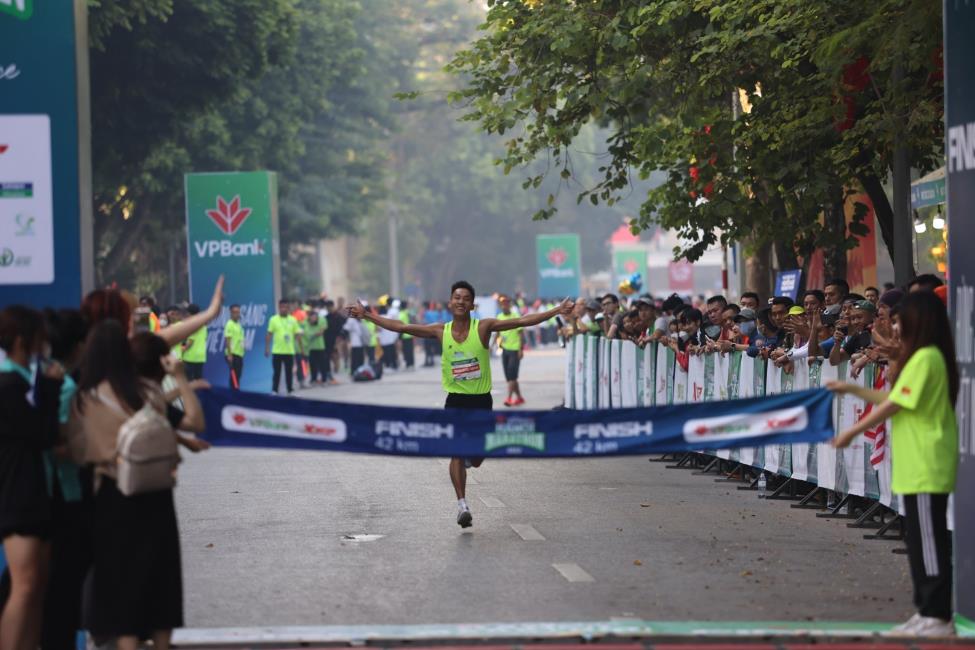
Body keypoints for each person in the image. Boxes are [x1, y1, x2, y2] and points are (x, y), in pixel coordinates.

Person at [347, 281, 573, 528]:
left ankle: (471, 457)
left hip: (481, 401)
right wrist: (367, 315)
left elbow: (521, 321)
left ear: (472, 305)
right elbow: (402, 326)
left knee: (476, 458)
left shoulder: (484, 327)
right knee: (455, 450)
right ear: (450, 302)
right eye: (457, 297)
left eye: (465, 298)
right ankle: (462, 504)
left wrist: (556, 311)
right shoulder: (440, 332)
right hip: (455, 400)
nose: (461, 301)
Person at [828, 290, 958, 636]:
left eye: (900, 320)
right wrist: (853, 390)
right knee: (918, 542)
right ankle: (926, 611)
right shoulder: (919, 359)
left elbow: (894, 405)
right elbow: (891, 397)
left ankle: (938, 615)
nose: (895, 326)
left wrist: (853, 431)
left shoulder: (928, 357)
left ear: (921, 322)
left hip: (928, 462)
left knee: (929, 543)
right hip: (915, 464)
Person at [74, 322, 205, 649]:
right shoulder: (146, 393)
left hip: (112, 499)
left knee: (122, 587)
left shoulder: (84, 399)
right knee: (160, 580)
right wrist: (182, 379)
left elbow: (78, 452)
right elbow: (194, 421)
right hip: (156, 496)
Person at [0, 306, 64, 650]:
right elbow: (42, 434)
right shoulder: (8, 384)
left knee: (35, 585)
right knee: (23, 586)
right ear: (24, 341)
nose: (45, 346)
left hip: (38, 490)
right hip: (17, 494)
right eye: (40, 340)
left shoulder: (24, 381)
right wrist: (52, 391)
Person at [265, 299, 303, 395]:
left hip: (289, 351)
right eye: (282, 307)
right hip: (277, 351)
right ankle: (275, 390)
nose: (284, 309)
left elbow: (298, 335)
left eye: (286, 307)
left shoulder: (293, 320)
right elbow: (269, 334)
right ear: (279, 307)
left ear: (288, 308)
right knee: (276, 372)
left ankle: (290, 390)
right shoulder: (273, 319)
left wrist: (301, 349)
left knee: (289, 373)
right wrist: (267, 348)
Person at [493, 295, 525, 406]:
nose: (504, 306)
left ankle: (509, 398)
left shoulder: (515, 316)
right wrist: (494, 344)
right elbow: (497, 332)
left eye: (506, 303)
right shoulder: (499, 316)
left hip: (515, 350)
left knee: (512, 375)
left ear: (509, 305)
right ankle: (520, 398)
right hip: (505, 349)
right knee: (510, 377)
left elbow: (521, 334)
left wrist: (521, 349)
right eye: (502, 304)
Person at [302, 310, 328, 386]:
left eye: (315, 317)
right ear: (309, 318)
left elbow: (321, 332)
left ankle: (324, 379)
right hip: (311, 347)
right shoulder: (306, 323)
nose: (314, 319)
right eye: (312, 317)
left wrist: (312, 335)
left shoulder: (321, 321)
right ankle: (313, 379)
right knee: (312, 364)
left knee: (322, 364)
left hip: (320, 347)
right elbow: (303, 332)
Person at [223, 304, 245, 390]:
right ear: (231, 313)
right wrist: (229, 354)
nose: (237, 314)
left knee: (238, 375)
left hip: (239, 353)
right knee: (234, 376)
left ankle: (236, 392)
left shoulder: (238, 324)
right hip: (232, 354)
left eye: (238, 312)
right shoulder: (229, 324)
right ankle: (233, 395)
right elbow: (228, 340)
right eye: (235, 312)